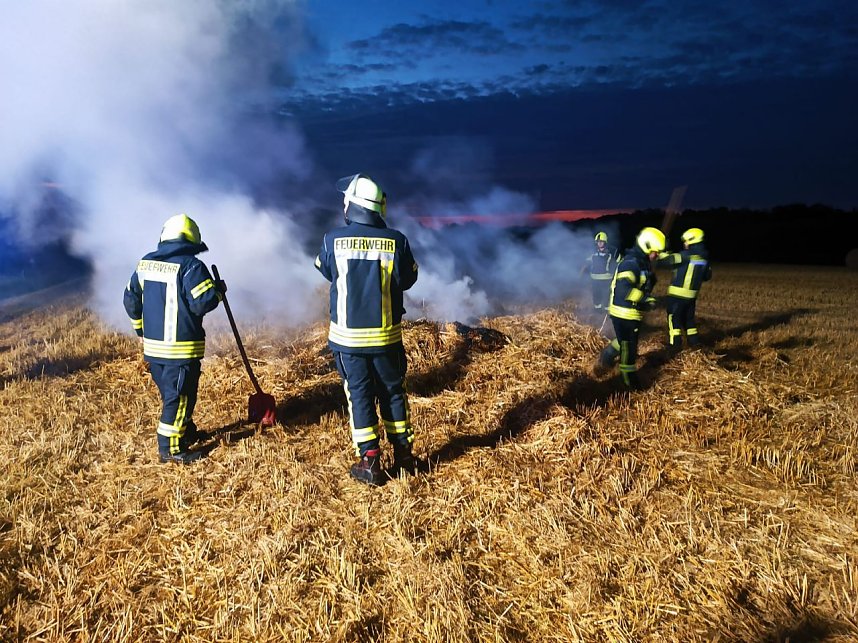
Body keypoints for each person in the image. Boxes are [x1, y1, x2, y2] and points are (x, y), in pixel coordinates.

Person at [315, 174, 419, 486]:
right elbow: (409, 279)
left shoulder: (332, 239)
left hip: (348, 341)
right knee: (392, 392)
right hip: (387, 337)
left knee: (358, 395)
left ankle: (370, 461)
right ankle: (403, 455)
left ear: (353, 206)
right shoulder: (397, 241)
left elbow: (325, 269)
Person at [123, 214, 225, 464]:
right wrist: (218, 292)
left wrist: (140, 330)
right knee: (179, 398)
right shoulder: (191, 266)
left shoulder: (145, 264)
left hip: (155, 351)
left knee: (173, 394)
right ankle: (170, 449)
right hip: (180, 351)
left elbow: (130, 300)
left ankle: (186, 431)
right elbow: (202, 303)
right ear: (192, 240)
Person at [596, 227, 666, 389]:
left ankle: (606, 357)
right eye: (655, 252)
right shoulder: (631, 264)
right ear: (646, 246)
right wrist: (644, 299)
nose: (656, 256)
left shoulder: (642, 262)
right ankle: (629, 381)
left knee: (623, 341)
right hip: (623, 313)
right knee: (629, 348)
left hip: (630, 312)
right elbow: (623, 290)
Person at [657, 227, 712, 352]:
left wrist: (662, 250)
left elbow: (664, 261)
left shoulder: (683, 256)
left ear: (692, 241)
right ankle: (695, 346)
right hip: (691, 298)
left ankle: (674, 348)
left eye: (686, 241)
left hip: (676, 297)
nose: (684, 244)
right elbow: (707, 276)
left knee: (674, 321)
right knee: (689, 322)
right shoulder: (704, 260)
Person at [582, 231, 618, 313]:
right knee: (596, 295)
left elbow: (618, 262)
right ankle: (597, 310)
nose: (599, 244)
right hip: (595, 279)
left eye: (601, 242)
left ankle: (607, 313)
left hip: (607, 280)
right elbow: (587, 262)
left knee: (606, 296)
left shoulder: (611, 254)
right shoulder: (593, 254)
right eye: (598, 242)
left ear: (605, 242)